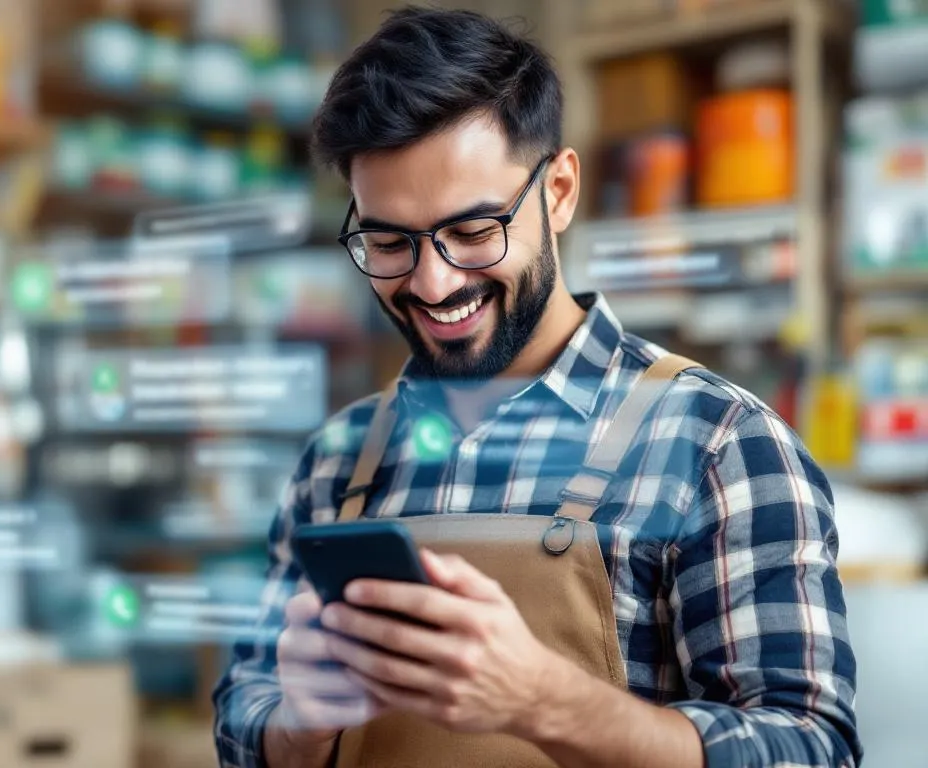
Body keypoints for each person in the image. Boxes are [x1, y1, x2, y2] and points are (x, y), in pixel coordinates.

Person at [211, 7, 860, 768]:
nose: (433, 281)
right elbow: (243, 713)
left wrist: (545, 702)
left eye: (474, 231)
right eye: (388, 242)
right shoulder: (336, 461)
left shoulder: (718, 445)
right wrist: (298, 725)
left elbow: (812, 749)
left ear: (557, 191)